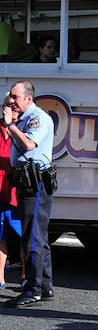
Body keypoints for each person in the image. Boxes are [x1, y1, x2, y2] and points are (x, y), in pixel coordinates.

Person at [3, 81, 54, 307]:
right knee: (38, 236)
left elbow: (29, 145)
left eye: (15, 97)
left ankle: (33, 290)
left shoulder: (37, 118)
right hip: (26, 182)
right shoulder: (23, 119)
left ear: (29, 99)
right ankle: (45, 285)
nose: (12, 101)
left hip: (36, 183)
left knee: (32, 237)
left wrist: (11, 126)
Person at [0, 94, 23, 291]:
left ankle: (26, 277)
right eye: (8, 105)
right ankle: (0, 279)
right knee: (0, 236)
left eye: (14, 105)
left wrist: (11, 126)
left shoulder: (24, 127)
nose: (11, 108)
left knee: (23, 234)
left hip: (18, 190)